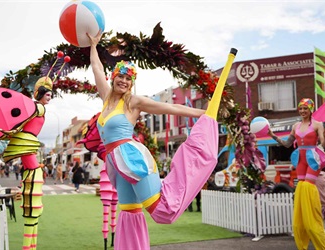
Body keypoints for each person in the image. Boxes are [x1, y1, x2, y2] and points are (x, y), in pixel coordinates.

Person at [87, 32, 226, 250]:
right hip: (116, 163)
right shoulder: (106, 99)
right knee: (129, 211)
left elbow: (172, 107)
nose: (123, 81)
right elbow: (96, 68)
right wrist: (93, 45)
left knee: (161, 211)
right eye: (120, 76)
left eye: (128, 79)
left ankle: (188, 174)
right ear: (113, 78)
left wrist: (204, 113)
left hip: (133, 161)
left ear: (131, 83)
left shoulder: (133, 102)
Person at [0, 77, 52, 250]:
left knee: (32, 171)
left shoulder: (36, 107)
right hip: (27, 143)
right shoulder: (38, 107)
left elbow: (21, 123)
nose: (49, 98)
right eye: (47, 94)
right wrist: (12, 131)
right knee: (33, 170)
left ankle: (30, 245)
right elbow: (22, 121)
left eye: (51, 95)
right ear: (39, 94)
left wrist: (12, 132)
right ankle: (28, 246)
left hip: (27, 142)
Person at [267, 98, 325, 250]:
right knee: (301, 187)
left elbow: (322, 143)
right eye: (300, 108)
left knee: (308, 186)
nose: (302, 111)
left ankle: (313, 221)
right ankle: (302, 224)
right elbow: (287, 144)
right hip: (300, 159)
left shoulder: (317, 124)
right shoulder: (295, 126)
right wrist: (272, 135)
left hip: (312, 158)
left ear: (311, 110)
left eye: (305, 109)